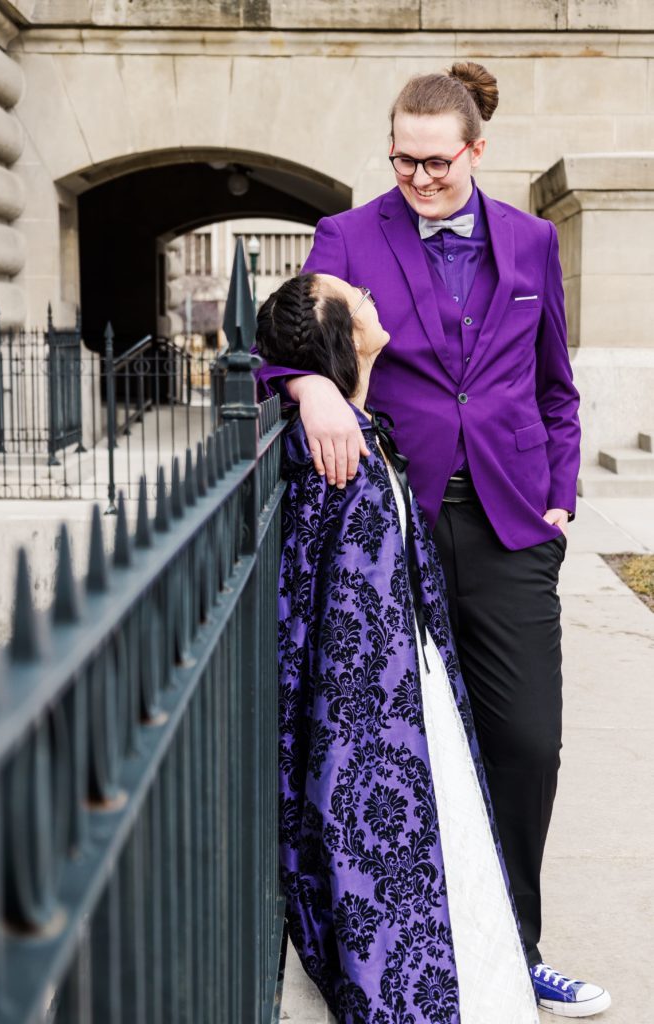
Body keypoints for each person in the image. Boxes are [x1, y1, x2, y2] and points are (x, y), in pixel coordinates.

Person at [257, 63, 611, 1018]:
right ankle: (421, 954)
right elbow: (274, 343)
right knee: (409, 754)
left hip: (510, 526)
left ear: (474, 151)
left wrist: (559, 502)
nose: (416, 177)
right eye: (400, 159)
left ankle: (517, 948)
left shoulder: (531, 243)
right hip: (393, 534)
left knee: (525, 744)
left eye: (434, 161)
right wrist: (309, 384)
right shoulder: (346, 236)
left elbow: (556, 388)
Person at [256, 270, 540, 1024]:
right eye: (357, 300)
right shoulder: (334, 455)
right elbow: (348, 621)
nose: (373, 299)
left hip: (416, 679)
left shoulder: (355, 428)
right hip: (381, 707)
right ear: (343, 337)